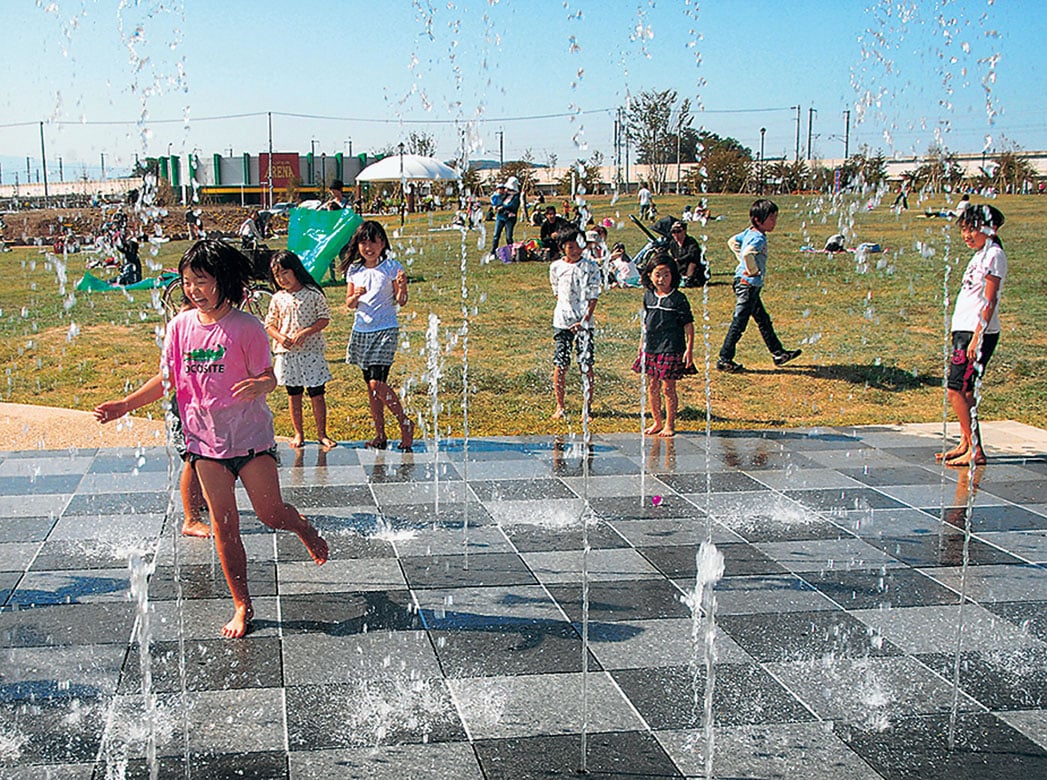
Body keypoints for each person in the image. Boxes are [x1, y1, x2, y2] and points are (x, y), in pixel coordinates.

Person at [94, 239, 329, 639]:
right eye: (187, 282)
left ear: (224, 281)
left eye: (201, 281)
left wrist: (261, 383)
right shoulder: (180, 327)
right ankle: (242, 604)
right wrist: (125, 404)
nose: (193, 290)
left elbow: (270, 376)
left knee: (271, 515)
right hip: (205, 444)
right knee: (224, 526)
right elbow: (168, 379)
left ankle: (302, 527)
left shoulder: (247, 327)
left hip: (250, 441)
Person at [937, 204, 1006, 467]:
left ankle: (975, 450)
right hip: (965, 330)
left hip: (976, 333)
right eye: (964, 229)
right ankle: (967, 442)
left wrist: (978, 335)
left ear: (991, 228)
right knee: (962, 390)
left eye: (973, 229)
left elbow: (990, 300)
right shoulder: (980, 254)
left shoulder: (994, 255)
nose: (967, 235)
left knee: (958, 390)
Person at [339, 220, 415, 451]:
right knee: (370, 387)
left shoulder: (391, 267)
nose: (368, 247)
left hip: (385, 330)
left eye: (373, 241)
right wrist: (356, 296)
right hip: (362, 331)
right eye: (363, 242)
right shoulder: (355, 270)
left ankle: (405, 423)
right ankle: (380, 434)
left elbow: (401, 300)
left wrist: (401, 287)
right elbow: (349, 303)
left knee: (377, 383)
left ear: (382, 243)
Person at [716, 199, 802, 373]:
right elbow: (748, 253)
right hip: (747, 285)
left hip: (745, 284)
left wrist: (743, 263)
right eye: (771, 219)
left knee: (763, 319)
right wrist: (752, 270)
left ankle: (778, 353)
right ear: (757, 219)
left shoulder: (749, 232)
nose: (774, 222)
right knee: (739, 322)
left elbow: (732, 241)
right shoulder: (758, 237)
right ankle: (724, 359)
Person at [264, 250, 337, 449]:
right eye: (277, 275)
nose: (282, 279)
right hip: (288, 353)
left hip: (311, 351)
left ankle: (322, 433)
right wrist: (280, 337)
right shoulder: (278, 298)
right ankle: (298, 433)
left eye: (285, 272)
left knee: (317, 392)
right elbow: (269, 324)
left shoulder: (312, 294)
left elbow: (324, 318)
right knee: (293, 393)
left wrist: (306, 332)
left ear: (296, 270)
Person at [632, 251, 695, 437]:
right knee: (652, 385)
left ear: (673, 276)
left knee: (668, 387)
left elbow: (689, 326)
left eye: (666, 274)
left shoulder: (678, 298)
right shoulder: (648, 296)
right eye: (657, 274)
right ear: (649, 275)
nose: (661, 279)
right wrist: (641, 343)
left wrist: (689, 350)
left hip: (671, 347)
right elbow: (645, 323)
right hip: (651, 347)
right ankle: (657, 421)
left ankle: (669, 423)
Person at [549, 226, 601, 419]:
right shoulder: (556, 267)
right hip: (562, 323)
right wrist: (567, 314)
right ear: (563, 247)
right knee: (560, 363)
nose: (576, 250)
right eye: (571, 247)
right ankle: (560, 406)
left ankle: (587, 407)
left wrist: (584, 320)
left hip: (584, 324)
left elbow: (593, 296)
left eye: (579, 246)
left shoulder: (591, 266)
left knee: (585, 364)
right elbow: (556, 291)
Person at [667, 220, 707, 287]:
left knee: (692, 263)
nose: (676, 234)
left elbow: (692, 255)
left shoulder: (691, 242)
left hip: (695, 271)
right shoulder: (672, 243)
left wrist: (678, 259)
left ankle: (689, 279)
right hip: (681, 269)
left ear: (684, 231)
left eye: (678, 231)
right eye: (673, 232)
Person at [489, 177, 521, 255]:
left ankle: (511, 252)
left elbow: (513, 206)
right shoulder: (503, 195)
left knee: (508, 237)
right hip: (500, 217)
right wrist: (497, 207)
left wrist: (503, 207)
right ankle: (493, 252)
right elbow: (497, 201)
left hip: (510, 219)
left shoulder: (516, 197)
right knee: (496, 235)